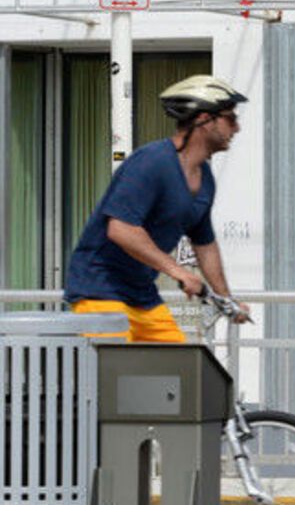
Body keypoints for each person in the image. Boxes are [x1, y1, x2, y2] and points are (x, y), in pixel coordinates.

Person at [64, 74, 250, 340]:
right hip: (100, 291)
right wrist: (178, 271)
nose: (237, 128)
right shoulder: (151, 162)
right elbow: (121, 229)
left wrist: (226, 300)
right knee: (114, 366)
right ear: (204, 120)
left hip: (142, 296)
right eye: (230, 119)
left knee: (180, 365)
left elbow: (205, 245)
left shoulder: (205, 179)